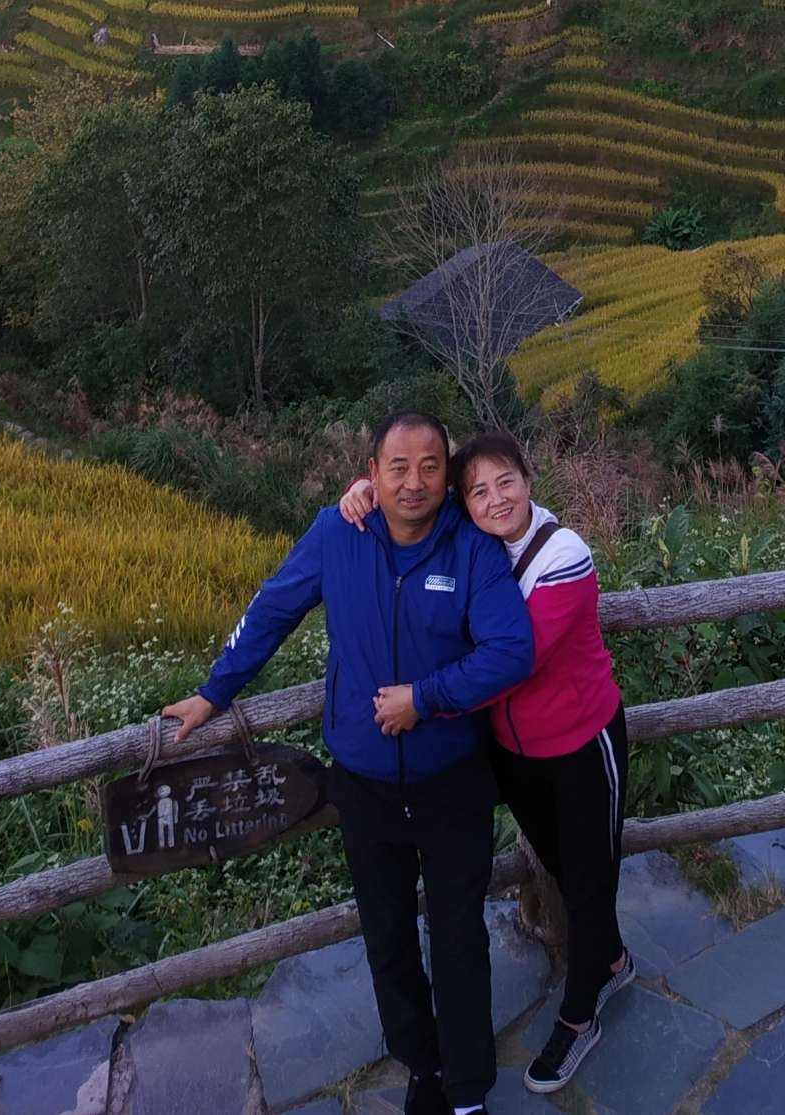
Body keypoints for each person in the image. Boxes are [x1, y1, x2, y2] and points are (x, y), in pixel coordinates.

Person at [163, 412, 532, 1115]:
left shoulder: (471, 545)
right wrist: (215, 692)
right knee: (387, 936)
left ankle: (468, 1089)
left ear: (447, 474)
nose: (415, 480)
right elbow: (274, 607)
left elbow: (511, 649)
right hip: (362, 783)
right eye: (398, 465)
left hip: (453, 778)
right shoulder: (338, 531)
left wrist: (425, 698)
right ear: (370, 471)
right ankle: (421, 1065)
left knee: (458, 937)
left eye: (431, 464)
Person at [339, 429, 632, 1097]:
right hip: (515, 756)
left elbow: (512, 658)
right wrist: (363, 497)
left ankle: (581, 1012)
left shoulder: (564, 553)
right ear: (462, 503)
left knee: (588, 879)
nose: (495, 498)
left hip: (583, 746)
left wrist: (424, 699)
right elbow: (410, 508)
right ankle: (610, 957)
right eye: (477, 489)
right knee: (562, 868)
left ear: (530, 480)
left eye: (506, 481)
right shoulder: (476, 545)